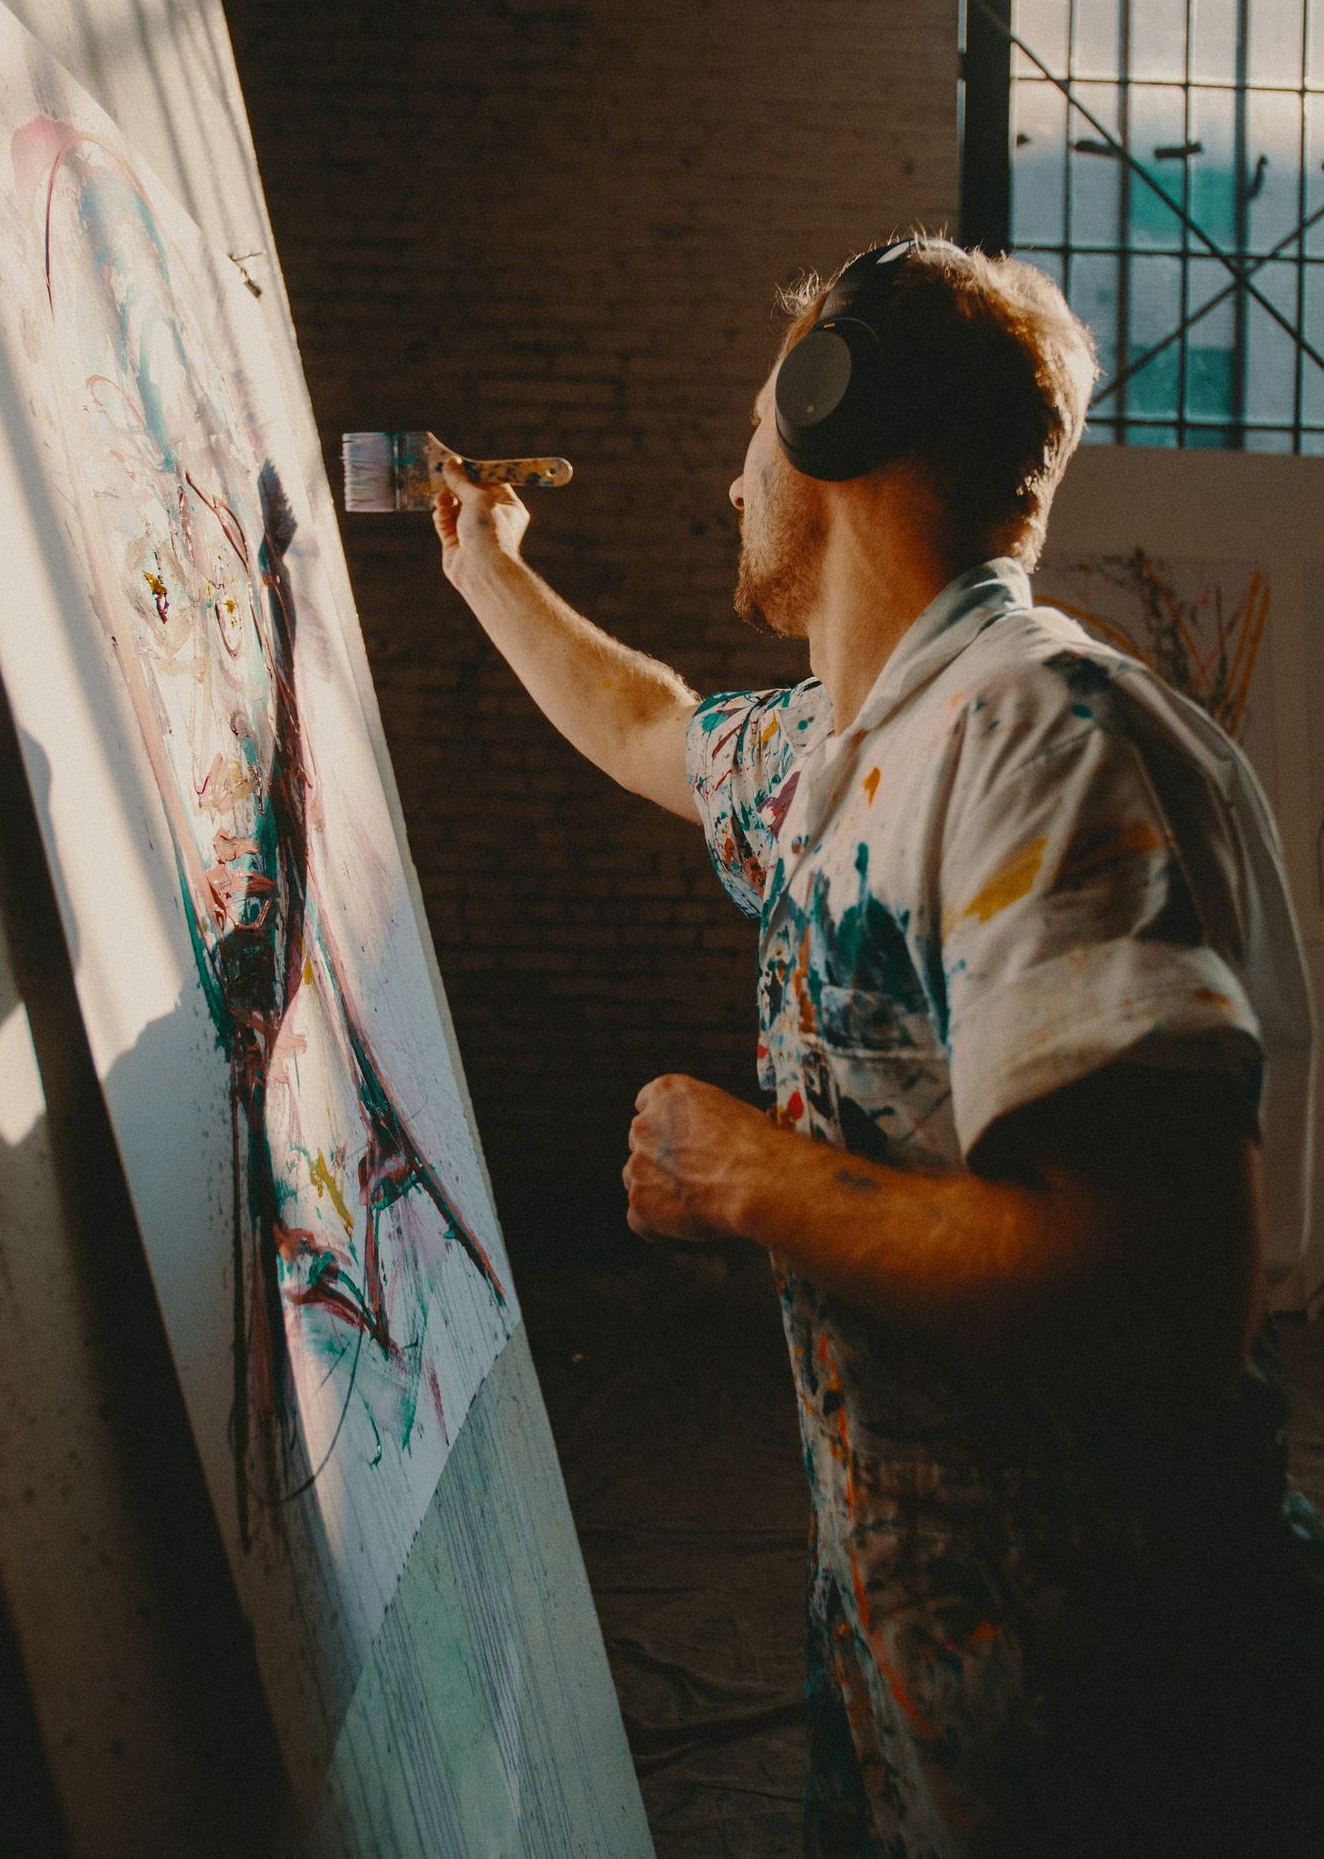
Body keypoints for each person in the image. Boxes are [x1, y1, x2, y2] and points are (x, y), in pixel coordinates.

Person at [431, 235, 1324, 1856]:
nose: (732, 483)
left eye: (752, 437)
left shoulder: (1041, 739)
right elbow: (649, 724)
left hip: (1114, 1706)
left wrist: (749, 1178)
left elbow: (1169, 1290)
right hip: (920, 1643)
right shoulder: (851, 743)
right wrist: (488, 567)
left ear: (829, 417)